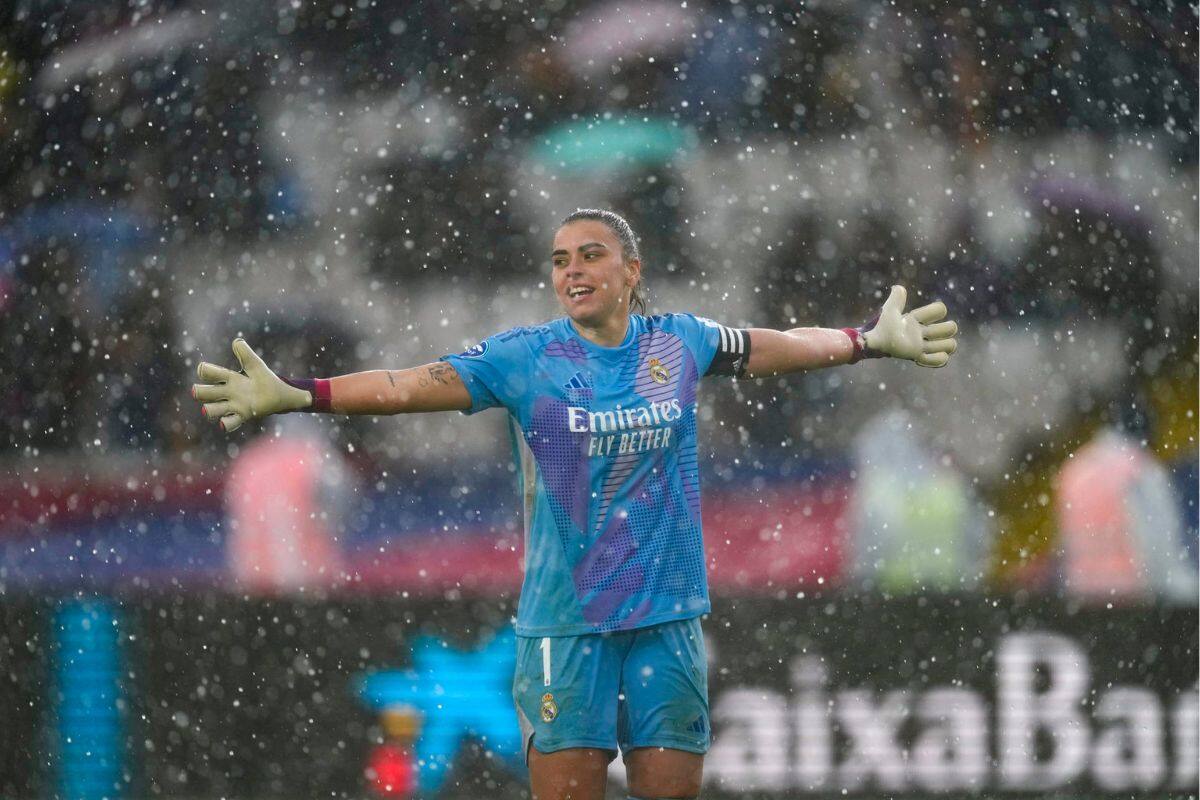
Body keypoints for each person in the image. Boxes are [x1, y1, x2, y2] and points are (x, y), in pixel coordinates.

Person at [191, 208, 958, 800]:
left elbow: (774, 345)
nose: (573, 270)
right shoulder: (526, 359)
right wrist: (302, 394)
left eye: (591, 254)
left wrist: (866, 341)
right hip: (567, 627)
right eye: (560, 260)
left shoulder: (679, 343)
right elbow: (401, 386)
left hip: (667, 623)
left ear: (632, 270)